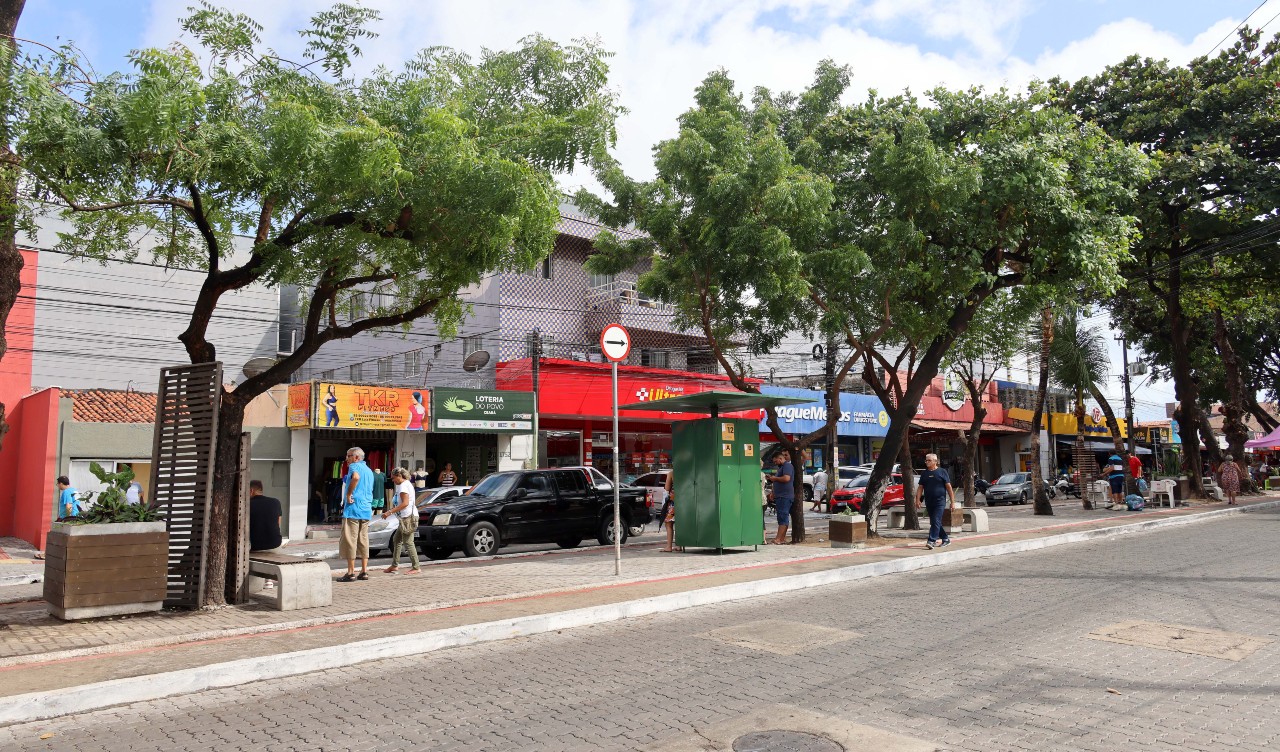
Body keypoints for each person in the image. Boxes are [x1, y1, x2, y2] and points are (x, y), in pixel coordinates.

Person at [338, 447, 374, 582]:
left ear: (356, 457)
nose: (347, 459)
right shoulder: (369, 470)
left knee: (350, 539)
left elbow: (356, 477)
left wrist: (348, 494)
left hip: (353, 508)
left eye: (349, 456)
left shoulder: (354, 466)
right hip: (366, 508)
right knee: (363, 539)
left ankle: (350, 572)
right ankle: (364, 571)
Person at [381, 467, 420, 573]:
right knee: (397, 539)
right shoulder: (405, 484)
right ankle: (394, 565)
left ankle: (416, 567)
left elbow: (405, 503)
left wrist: (389, 512)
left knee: (408, 542)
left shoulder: (403, 486)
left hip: (408, 517)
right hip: (405, 517)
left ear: (399, 476)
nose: (393, 480)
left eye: (393, 478)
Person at [916, 453, 955, 550]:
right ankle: (945, 539)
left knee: (936, 520)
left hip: (940, 502)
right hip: (929, 501)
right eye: (926, 460)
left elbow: (949, 487)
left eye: (929, 460)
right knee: (934, 522)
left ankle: (931, 540)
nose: (927, 462)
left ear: (935, 461)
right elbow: (920, 487)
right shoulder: (924, 473)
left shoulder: (942, 472)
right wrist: (917, 500)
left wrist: (952, 502)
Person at [766, 452, 795, 544]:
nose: (775, 463)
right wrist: (773, 491)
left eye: (776, 461)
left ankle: (779, 538)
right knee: (782, 517)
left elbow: (786, 478)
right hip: (781, 496)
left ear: (780, 459)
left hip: (784, 496)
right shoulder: (781, 468)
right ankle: (781, 538)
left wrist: (775, 478)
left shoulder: (787, 466)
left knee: (783, 517)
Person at [248, 479, 283, 552]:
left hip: (256, 547)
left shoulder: (248, 505)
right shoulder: (276, 502)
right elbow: (279, 524)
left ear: (251, 490)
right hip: (275, 545)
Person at [660, 471, 676, 552]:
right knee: (679, 524)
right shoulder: (686, 471)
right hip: (684, 500)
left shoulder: (671, 473)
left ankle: (669, 546)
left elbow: (666, 490)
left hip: (673, 501)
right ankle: (679, 545)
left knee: (668, 524)